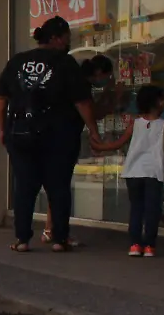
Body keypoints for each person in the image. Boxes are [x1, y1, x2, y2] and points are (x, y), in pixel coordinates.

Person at [0, 15, 101, 253]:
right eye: (66, 39)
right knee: (58, 187)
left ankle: (22, 239)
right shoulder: (65, 63)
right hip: (58, 137)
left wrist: (3, 129)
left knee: (24, 188)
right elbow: (82, 102)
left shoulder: (17, 62)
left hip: (21, 135)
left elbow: (1, 100)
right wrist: (93, 131)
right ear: (55, 38)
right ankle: (60, 240)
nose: (67, 44)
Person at [91, 85, 164, 257]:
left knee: (136, 208)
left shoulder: (135, 124)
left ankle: (135, 245)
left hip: (133, 172)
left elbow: (118, 144)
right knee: (152, 210)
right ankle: (149, 245)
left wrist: (100, 146)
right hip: (153, 173)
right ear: (157, 102)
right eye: (162, 99)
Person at [42, 53, 116, 246]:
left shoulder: (73, 83)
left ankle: (50, 230)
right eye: (107, 75)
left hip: (51, 137)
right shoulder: (80, 86)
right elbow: (92, 113)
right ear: (99, 73)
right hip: (64, 139)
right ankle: (57, 233)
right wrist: (112, 97)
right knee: (60, 187)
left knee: (55, 185)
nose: (106, 79)